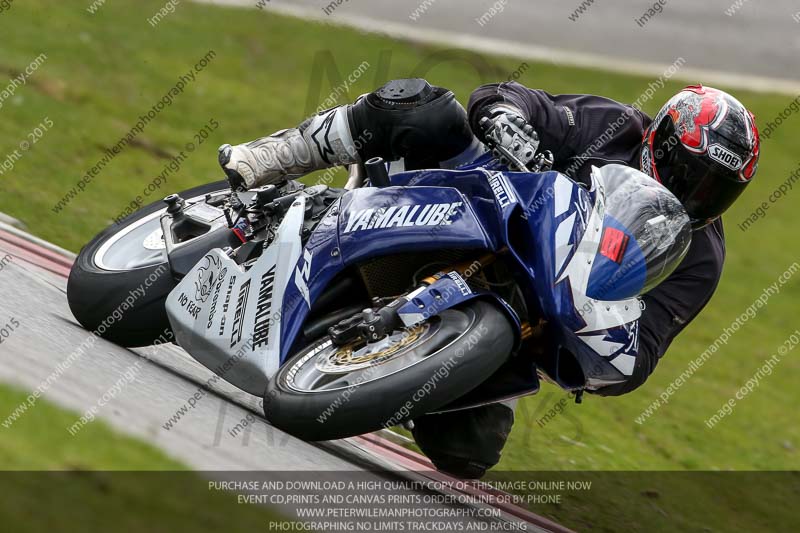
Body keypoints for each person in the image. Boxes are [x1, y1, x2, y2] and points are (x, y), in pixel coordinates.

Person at [218, 78, 760, 478]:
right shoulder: (612, 125)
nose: (697, 193)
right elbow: (512, 97)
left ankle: (385, 365)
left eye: (717, 189)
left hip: (533, 317)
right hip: (473, 203)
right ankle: (277, 155)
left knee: (469, 454)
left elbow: (643, 353)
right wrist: (507, 119)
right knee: (428, 112)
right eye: (691, 173)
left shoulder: (699, 257)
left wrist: (607, 342)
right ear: (660, 141)